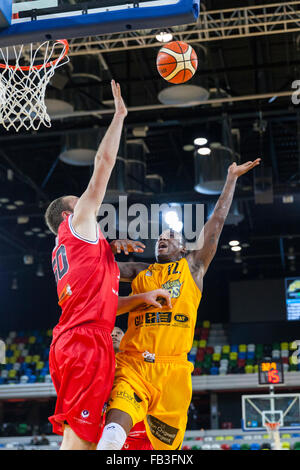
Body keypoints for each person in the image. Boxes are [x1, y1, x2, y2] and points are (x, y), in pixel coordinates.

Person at [97, 158, 261, 450]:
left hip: (173, 372)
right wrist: (105, 246)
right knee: (112, 433)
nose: (163, 238)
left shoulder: (193, 268)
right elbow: (94, 267)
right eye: (160, 236)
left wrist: (231, 179)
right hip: (134, 363)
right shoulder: (139, 271)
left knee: (165, 450)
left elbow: (217, 223)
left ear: (184, 248)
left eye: (170, 236)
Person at [44, 80, 169, 451]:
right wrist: (118, 117)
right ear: (71, 212)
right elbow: (104, 164)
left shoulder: (76, 250)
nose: (91, 207)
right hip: (84, 343)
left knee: (86, 434)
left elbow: (107, 306)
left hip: (80, 337)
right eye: (81, 203)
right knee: (80, 439)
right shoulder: (76, 223)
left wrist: (144, 296)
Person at [111, 327, 153, 450]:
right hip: (112, 429)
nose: (114, 336)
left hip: (140, 432)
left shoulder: (140, 359)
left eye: (118, 333)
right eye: (111, 334)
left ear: (126, 338)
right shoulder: (98, 364)